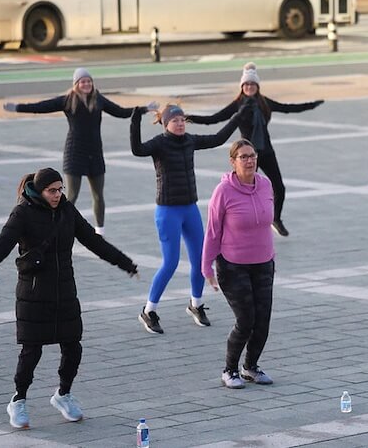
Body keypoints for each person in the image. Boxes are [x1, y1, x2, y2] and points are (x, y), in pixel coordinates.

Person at [0, 168, 138, 429]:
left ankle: (63, 395)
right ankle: (18, 400)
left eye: (60, 189)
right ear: (40, 190)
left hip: (64, 291)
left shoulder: (67, 212)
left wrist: (126, 263)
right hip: (33, 293)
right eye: (52, 191)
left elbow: (93, 241)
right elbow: (1, 246)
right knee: (31, 351)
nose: (57, 195)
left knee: (73, 346)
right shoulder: (22, 213)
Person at [131, 102, 245, 334]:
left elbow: (218, 138)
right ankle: (149, 310)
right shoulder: (159, 144)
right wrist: (135, 118)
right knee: (170, 263)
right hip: (167, 212)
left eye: (182, 119)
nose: (180, 123)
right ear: (166, 124)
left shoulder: (190, 140)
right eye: (175, 120)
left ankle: (196, 304)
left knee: (201, 260)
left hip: (189, 209)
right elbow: (137, 149)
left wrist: (238, 116)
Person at [187, 63, 324, 238]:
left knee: (279, 187)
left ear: (257, 87)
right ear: (242, 87)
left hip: (266, 151)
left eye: (252, 84)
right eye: (246, 85)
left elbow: (288, 108)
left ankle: (276, 219)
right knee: (238, 190)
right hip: (246, 155)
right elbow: (213, 119)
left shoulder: (264, 102)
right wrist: (188, 118)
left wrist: (312, 105)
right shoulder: (238, 105)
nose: (249, 87)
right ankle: (234, 221)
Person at [3, 68, 139, 235]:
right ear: (76, 84)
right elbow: (42, 106)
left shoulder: (98, 100)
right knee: (70, 196)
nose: (86, 84)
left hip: (95, 153)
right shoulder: (68, 100)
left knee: (98, 195)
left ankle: (99, 231)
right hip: (74, 153)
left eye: (89, 81)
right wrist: (17, 108)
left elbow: (121, 112)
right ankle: (61, 229)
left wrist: (143, 109)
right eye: (83, 81)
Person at [202, 139, 277, 389]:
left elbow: (268, 222)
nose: (249, 160)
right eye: (243, 156)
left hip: (264, 263)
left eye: (252, 155)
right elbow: (212, 232)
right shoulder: (223, 191)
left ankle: (251, 367)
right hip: (233, 265)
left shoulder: (265, 185)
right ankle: (229, 370)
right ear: (233, 162)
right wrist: (206, 268)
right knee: (246, 320)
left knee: (263, 322)